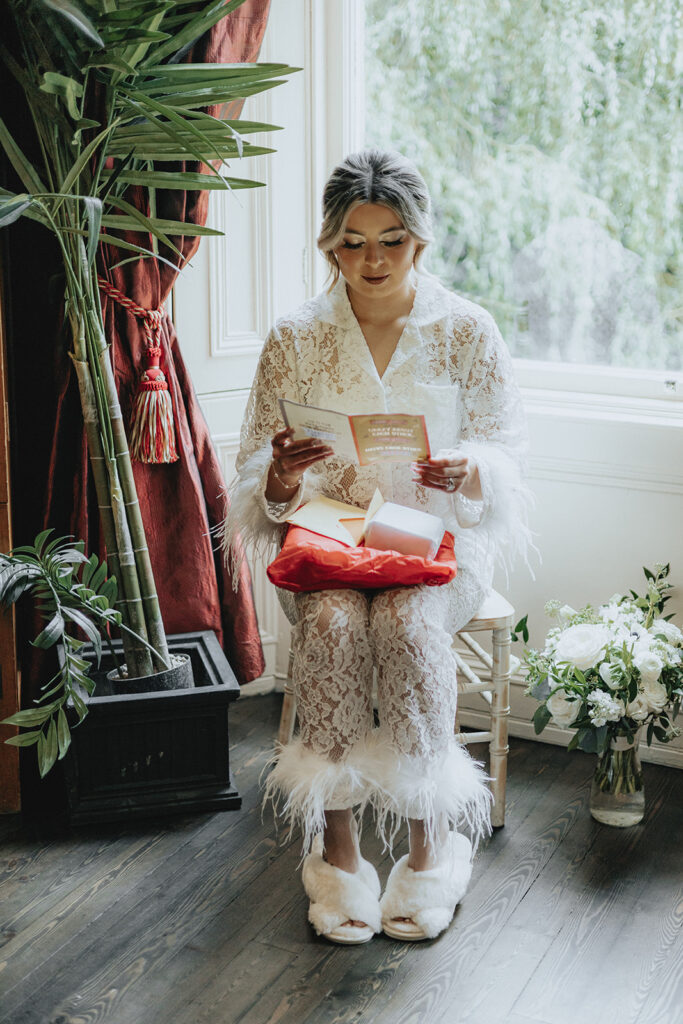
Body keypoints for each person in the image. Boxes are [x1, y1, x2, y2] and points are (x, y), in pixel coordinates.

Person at [222, 149, 533, 944]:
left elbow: (505, 451)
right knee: (328, 627)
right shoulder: (295, 335)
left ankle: (429, 855)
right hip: (328, 543)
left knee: (402, 625)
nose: (371, 260)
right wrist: (282, 476)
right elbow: (257, 469)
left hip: (436, 547)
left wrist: (470, 469)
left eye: (389, 240)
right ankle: (336, 853)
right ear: (329, 245)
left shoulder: (467, 330)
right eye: (352, 242)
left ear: (419, 241)